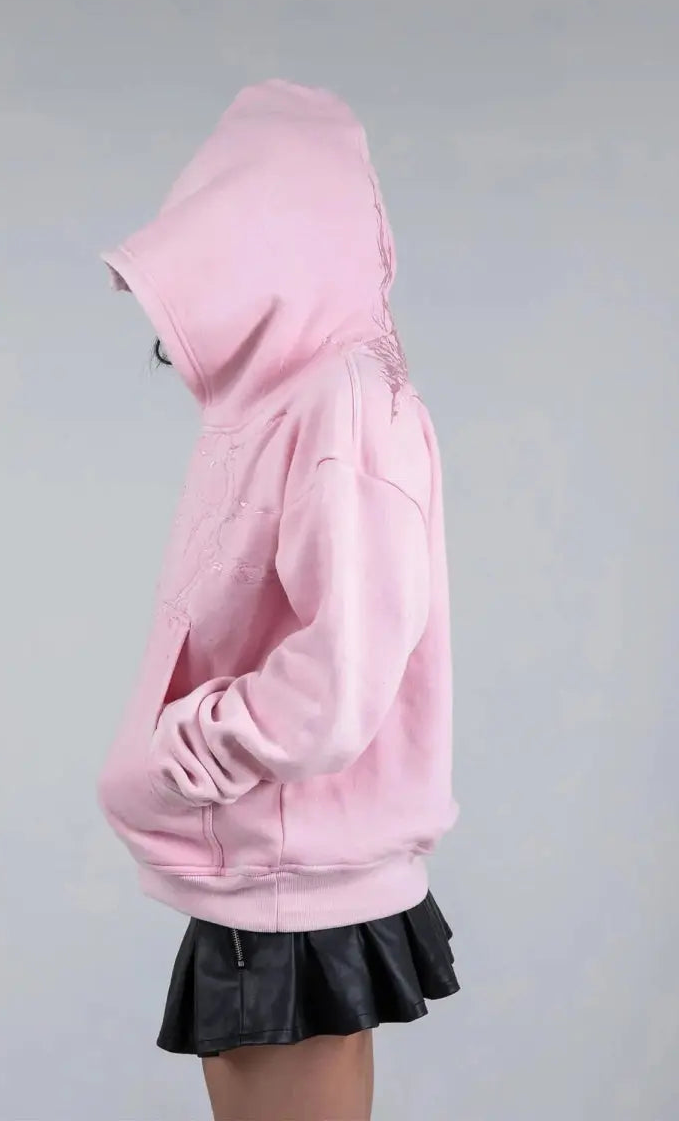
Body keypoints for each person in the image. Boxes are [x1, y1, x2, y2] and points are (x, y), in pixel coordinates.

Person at [97, 79, 460, 1121]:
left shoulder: (342, 404)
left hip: (292, 883)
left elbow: (337, 680)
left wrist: (186, 746)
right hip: (270, 862)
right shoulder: (290, 401)